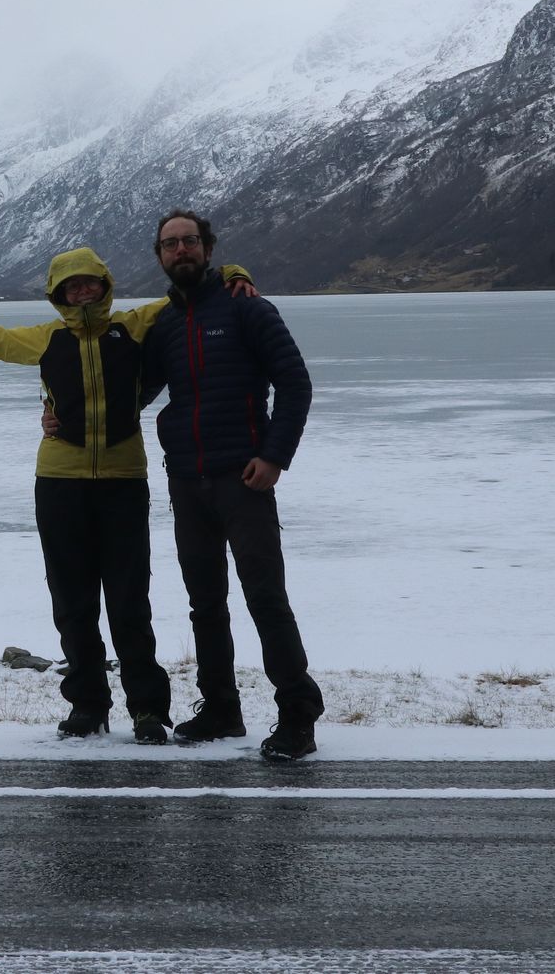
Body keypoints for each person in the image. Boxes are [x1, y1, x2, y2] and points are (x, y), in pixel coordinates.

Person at [0, 247, 253, 745]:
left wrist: (231, 272)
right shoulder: (47, 338)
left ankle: (147, 709)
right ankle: (87, 704)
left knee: (129, 601)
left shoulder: (134, 326)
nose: (81, 291)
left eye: (89, 282)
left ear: (105, 284)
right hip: (59, 481)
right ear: (57, 294)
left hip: (123, 480)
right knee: (72, 599)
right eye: (70, 285)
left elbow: (189, 296)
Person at [139, 209, 323, 761]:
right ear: (160, 256)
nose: (181, 251)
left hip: (244, 479)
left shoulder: (248, 309)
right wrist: (60, 413)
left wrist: (274, 457)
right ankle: (221, 708)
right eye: (170, 244)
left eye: (189, 241)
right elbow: (136, 391)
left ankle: (297, 712)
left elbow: (295, 383)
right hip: (187, 481)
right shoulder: (165, 325)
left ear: (208, 247)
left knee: (265, 596)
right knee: (205, 603)